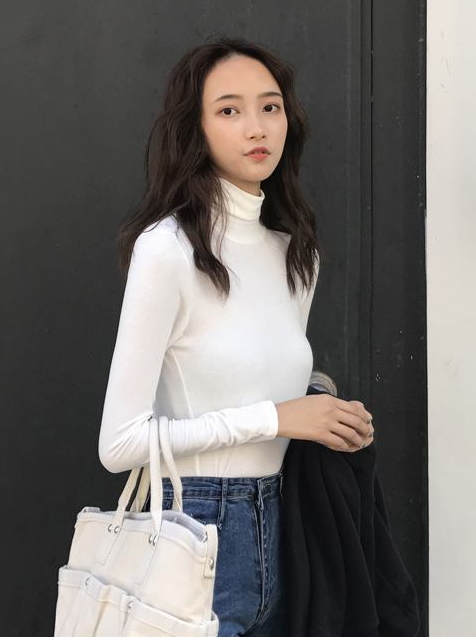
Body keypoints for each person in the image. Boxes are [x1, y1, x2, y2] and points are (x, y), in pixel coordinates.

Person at [98, 37, 374, 637]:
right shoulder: (167, 250)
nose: (257, 126)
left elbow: (265, 375)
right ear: (194, 128)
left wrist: (326, 411)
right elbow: (119, 445)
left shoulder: (295, 253)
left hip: (286, 529)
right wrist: (277, 418)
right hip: (193, 531)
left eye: (270, 106)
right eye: (229, 110)